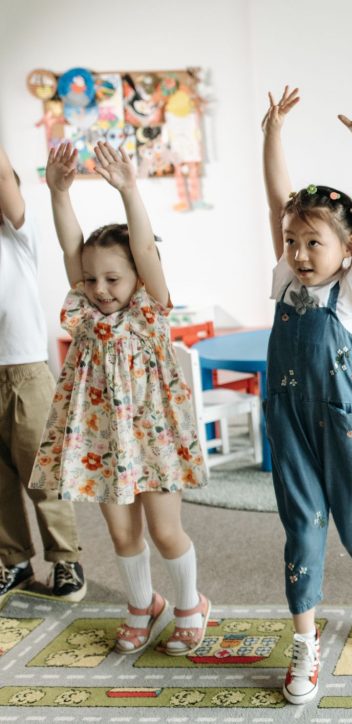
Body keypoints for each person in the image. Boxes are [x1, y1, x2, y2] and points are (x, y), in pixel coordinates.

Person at [29, 141, 209, 656]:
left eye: (113, 278)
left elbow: (146, 249)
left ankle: (189, 605)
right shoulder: (86, 311)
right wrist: (58, 192)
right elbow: (70, 250)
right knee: (122, 533)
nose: (101, 289)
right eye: (93, 279)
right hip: (101, 440)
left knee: (165, 530)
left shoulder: (149, 310)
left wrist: (130, 188)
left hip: (152, 438)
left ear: (137, 277)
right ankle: (140, 605)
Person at [261, 87, 352, 705]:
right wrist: (273, 133)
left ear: (345, 253)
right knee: (302, 527)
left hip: (342, 424)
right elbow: (277, 202)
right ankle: (306, 642)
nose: (299, 253)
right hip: (289, 421)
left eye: (314, 243)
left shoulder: (351, 296)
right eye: (294, 242)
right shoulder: (285, 279)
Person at [0, 143, 86, 600]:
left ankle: (66, 560)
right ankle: (14, 562)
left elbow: (4, 181)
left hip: (25, 372)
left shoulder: (17, 235)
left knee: (42, 472)